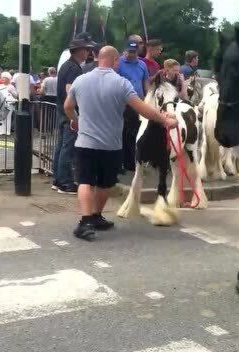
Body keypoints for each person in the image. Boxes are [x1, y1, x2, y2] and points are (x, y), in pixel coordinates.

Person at [64, 46, 178, 241]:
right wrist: (166, 120)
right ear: (115, 61)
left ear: (99, 59)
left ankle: (87, 221)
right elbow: (143, 110)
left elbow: (68, 106)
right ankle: (95, 216)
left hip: (85, 142)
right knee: (105, 183)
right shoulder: (121, 83)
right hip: (111, 144)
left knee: (85, 181)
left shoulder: (80, 81)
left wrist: (75, 120)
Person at [52, 32, 95, 195]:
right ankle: (65, 182)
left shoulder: (66, 65)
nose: (88, 53)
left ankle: (58, 179)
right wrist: (76, 112)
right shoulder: (74, 68)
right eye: (86, 49)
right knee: (68, 148)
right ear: (79, 50)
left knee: (61, 146)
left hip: (62, 110)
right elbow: (70, 90)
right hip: (69, 112)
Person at [117, 39, 150, 172]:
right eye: (129, 51)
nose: (131, 54)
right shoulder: (118, 63)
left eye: (134, 52)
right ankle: (123, 162)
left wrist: (148, 98)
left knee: (135, 133)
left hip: (139, 103)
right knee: (123, 133)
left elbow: (145, 81)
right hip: (123, 103)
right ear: (125, 50)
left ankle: (132, 162)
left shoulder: (142, 64)